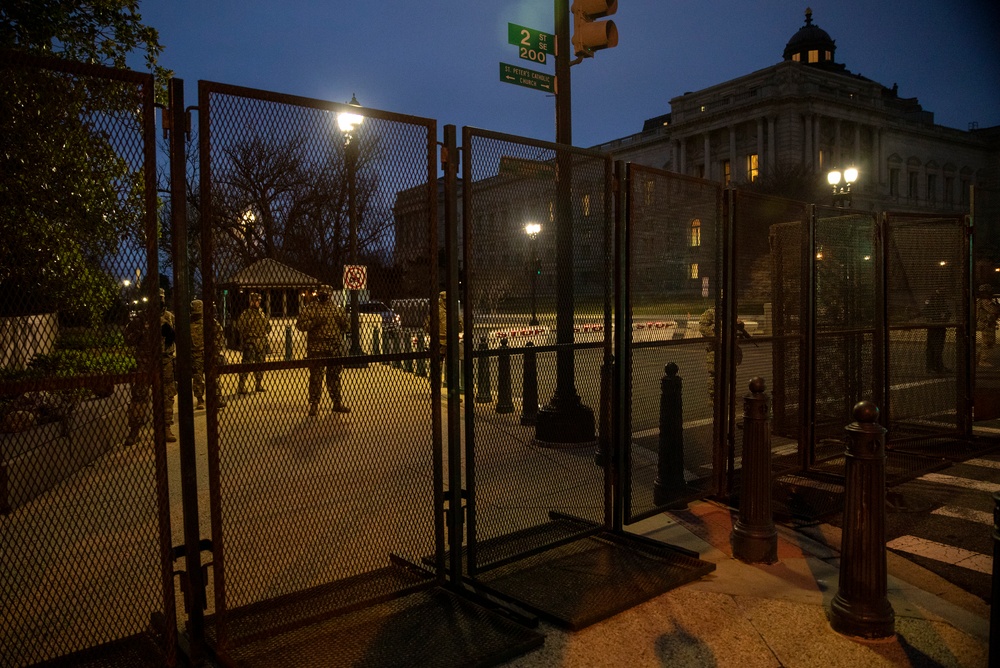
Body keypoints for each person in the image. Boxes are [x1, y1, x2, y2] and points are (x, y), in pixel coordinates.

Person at [124, 288, 177, 445]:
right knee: (139, 396)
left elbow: (176, 338)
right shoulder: (140, 319)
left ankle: (166, 427)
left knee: (167, 396)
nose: (159, 303)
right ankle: (135, 430)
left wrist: (170, 334)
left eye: (161, 299)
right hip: (145, 363)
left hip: (165, 362)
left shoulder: (169, 317)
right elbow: (129, 339)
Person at [296, 284, 350, 415]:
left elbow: (348, 327)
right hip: (317, 348)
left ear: (330, 294)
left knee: (334, 376)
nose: (324, 295)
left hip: (334, 348)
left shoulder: (336, 310)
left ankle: (336, 403)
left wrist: (342, 321)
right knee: (316, 377)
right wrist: (315, 322)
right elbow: (300, 325)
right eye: (322, 293)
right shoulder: (311, 308)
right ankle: (314, 404)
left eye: (326, 293)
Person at [698, 306, 747, 404]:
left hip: (728, 348)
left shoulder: (729, 312)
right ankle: (714, 397)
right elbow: (702, 328)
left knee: (728, 374)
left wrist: (739, 324)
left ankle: (725, 396)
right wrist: (717, 336)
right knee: (715, 374)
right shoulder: (710, 313)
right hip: (715, 349)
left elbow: (739, 326)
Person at [190, 299, 228, 409]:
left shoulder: (210, 322)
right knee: (198, 378)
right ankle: (200, 399)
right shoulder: (189, 323)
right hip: (196, 354)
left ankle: (216, 398)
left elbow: (219, 335)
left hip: (209, 353)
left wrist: (216, 349)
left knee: (213, 376)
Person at [236, 292, 271, 393]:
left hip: (261, 341)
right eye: (256, 301)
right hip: (250, 342)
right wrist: (248, 334)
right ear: (251, 301)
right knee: (247, 364)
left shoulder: (261, 313)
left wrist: (264, 332)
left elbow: (267, 327)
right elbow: (240, 326)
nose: (258, 303)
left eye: (259, 301)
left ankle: (258, 384)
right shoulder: (246, 314)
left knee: (260, 364)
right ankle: (241, 386)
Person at [923, 288, 951, 374]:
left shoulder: (934, 300)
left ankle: (934, 366)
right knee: (936, 347)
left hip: (935, 326)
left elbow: (946, 313)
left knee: (933, 347)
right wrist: (942, 317)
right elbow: (928, 312)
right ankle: (936, 366)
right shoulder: (937, 300)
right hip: (936, 327)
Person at [975, 284, 1000, 367]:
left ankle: (979, 359)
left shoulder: (982, 301)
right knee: (988, 343)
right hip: (987, 323)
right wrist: (997, 306)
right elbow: (993, 310)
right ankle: (982, 360)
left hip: (986, 323)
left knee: (986, 342)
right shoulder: (985, 301)